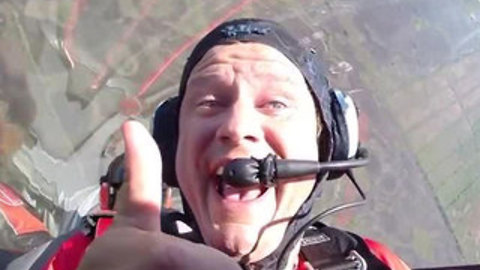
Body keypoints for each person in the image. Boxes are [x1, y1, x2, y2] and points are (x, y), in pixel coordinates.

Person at [17, 18, 410, 270]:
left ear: (328, 147)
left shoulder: (372, 264)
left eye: (275, 103)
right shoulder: (90, 259)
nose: (237, 127)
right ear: (173, 146)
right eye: (209, 102)